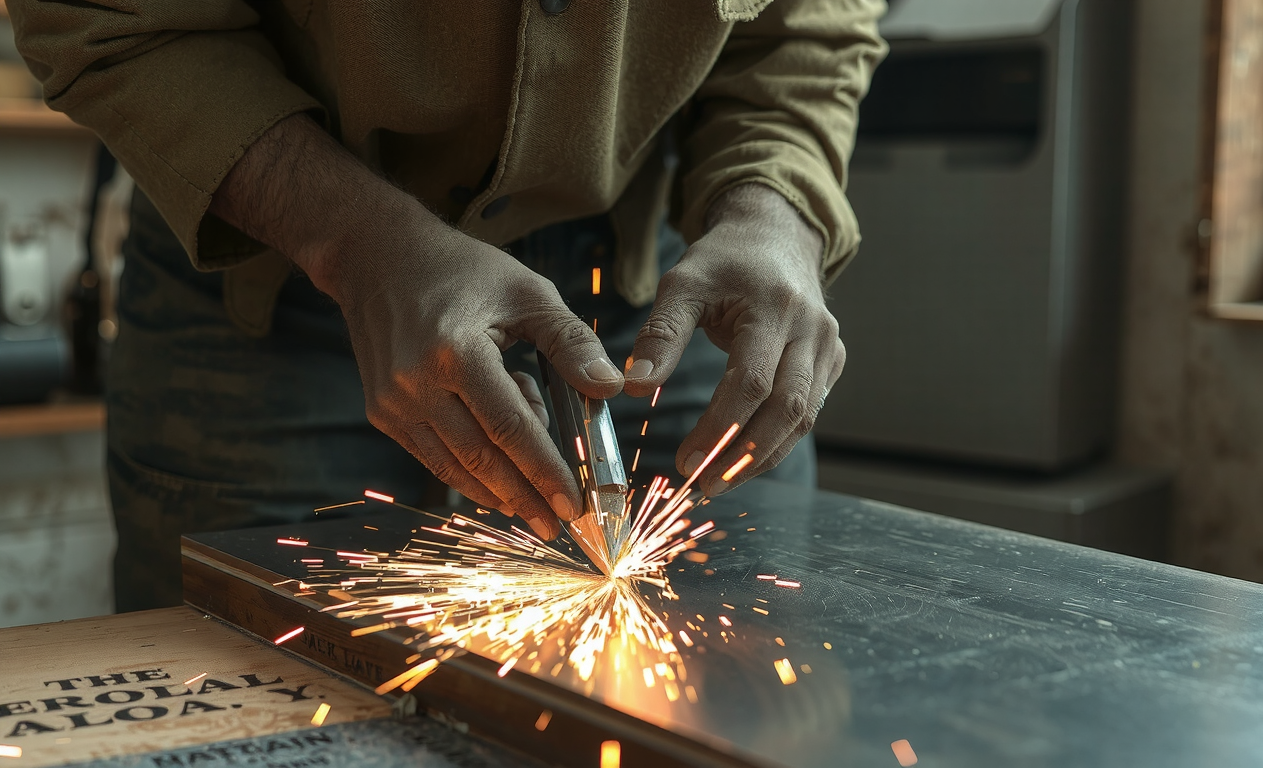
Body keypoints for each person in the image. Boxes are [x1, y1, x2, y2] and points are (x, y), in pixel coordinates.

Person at [10, 1, 887, 611]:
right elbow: (104, 18)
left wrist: (775, 206)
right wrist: (356, 244)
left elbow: (810, 23)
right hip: (276, 263)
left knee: (732, 692)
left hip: (654, 279)